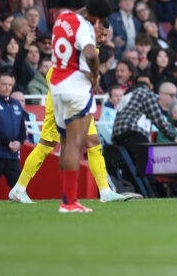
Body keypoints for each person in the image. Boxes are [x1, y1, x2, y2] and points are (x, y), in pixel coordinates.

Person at [10, 20, 128, 204]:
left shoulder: (92, 49)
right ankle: (19, 188)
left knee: (94, 142)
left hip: (78, 101)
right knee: (46, 145)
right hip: (62, 100)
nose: (103, 38)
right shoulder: (78, 44)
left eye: (106, 35)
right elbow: (53, 73)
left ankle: (105, 191)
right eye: (100, 33)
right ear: (93, 30)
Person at [48, 0, 112, 213]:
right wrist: (95, 75)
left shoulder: (62, 17)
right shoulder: (84, 26)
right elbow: (91, 53)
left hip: (57, 85)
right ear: (95, 17)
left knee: (65, 144)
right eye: (99, 20)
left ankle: (66, 198)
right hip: (76, 86)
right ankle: (69, 202)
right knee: (76, 144)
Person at [0, 70, 26, 195]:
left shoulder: (16, 104)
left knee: (20, 192)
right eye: (4, 84)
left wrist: (19, 142)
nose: (7, 87)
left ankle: (25, 215)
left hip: (12, 155)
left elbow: (22, 129)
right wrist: (8, 143)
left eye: (9, 85)